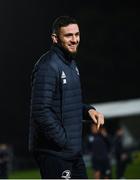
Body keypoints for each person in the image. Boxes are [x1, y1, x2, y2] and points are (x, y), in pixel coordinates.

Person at [29, 16, 104, 179]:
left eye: (77, 34)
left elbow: (69, 103)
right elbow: (40, 111)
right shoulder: (47, 65)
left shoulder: (71, 64)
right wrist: (64, 140)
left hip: (72, 153)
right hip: (54, 153)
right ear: (55, 38)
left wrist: (89, 111)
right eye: (68, 35)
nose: (75, 39)